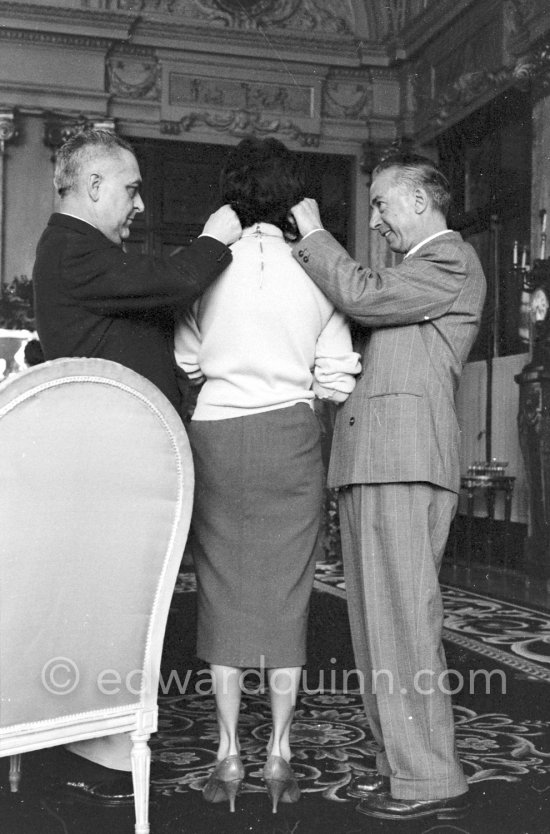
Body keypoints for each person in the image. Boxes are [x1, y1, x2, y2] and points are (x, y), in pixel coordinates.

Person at [32, 127, 241, 804]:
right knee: (113, 610)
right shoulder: (71, 247)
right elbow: (175, 277)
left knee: (118, 608)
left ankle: (103, 744)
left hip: (115, 458)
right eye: (130, 189)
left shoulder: (82, 249)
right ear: (93, 187)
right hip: (109, 463)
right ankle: (96, 753)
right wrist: (217, 237)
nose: (139, 206)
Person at [290, 152, 486, 822]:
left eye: (382, 204)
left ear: (423, 203)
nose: (375, 219)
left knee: (403, 625)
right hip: (374, 459)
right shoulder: (413, 270)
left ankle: (430, 779)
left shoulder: (450, 259)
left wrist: (316, 233)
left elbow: (364, 294)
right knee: (376, 631)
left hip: (404, 461)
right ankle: (400, 767)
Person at [174, 136, 361, 813]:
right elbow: (338, 375)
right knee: (288, 593)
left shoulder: (205, 265)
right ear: (292, 196)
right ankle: (278, 756)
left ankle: (227, 755)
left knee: (221, 591)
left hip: (217, 435)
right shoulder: (315, 266)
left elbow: (188, 361)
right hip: (289, 435)